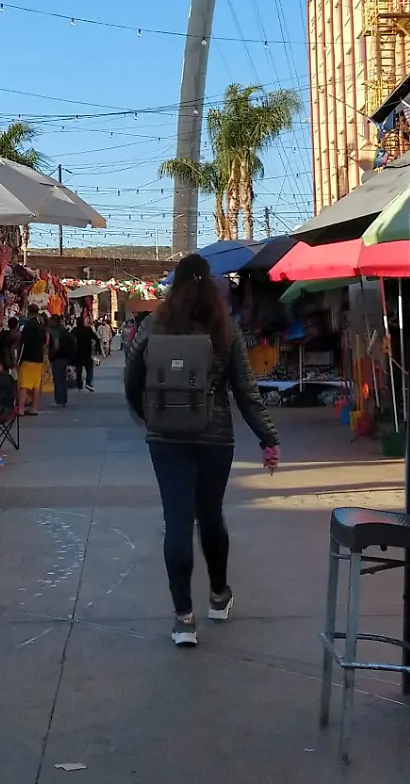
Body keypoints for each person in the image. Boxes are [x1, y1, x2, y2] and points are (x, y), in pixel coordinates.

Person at [124, 254, 280, 647]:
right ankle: (218, 594)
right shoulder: (224, 330)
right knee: (210, 517)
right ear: (211, 287)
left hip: (166, 439)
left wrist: (146, 415)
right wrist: (268, 438)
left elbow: (132, 374)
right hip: (214, 438)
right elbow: (246, 390)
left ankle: (183, 619)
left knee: (176, 522)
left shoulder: (153, 324)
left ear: (174, 285)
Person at [17, 307, 48, 415]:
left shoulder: (27, 326)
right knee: (35, 385)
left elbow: (23, 343)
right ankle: (34, 408)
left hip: (28, 358)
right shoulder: (41, 326)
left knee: (23, 385)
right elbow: (44, 341)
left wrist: (18, 360)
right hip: (38, 358)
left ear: (29, 312)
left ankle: (20, 409)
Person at [48, 313, 72, 408]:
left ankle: (58, 400)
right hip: (65, 357)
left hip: (57, 357)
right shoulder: (63, 329)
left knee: (57, 379)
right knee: (63, 379)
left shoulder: (54, 331)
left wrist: (51, 354)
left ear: (54, 321)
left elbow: (56, 345)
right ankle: (64, 399)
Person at [72, 316, 99, 390]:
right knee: (89, 368)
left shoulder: (75, 330)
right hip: (87, 352)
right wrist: (95, 347)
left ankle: (79, 384)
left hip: (77, 352)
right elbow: (96, 338)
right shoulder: (88, 329)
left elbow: (69, 338)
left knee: (78, 370)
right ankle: (88, 382)